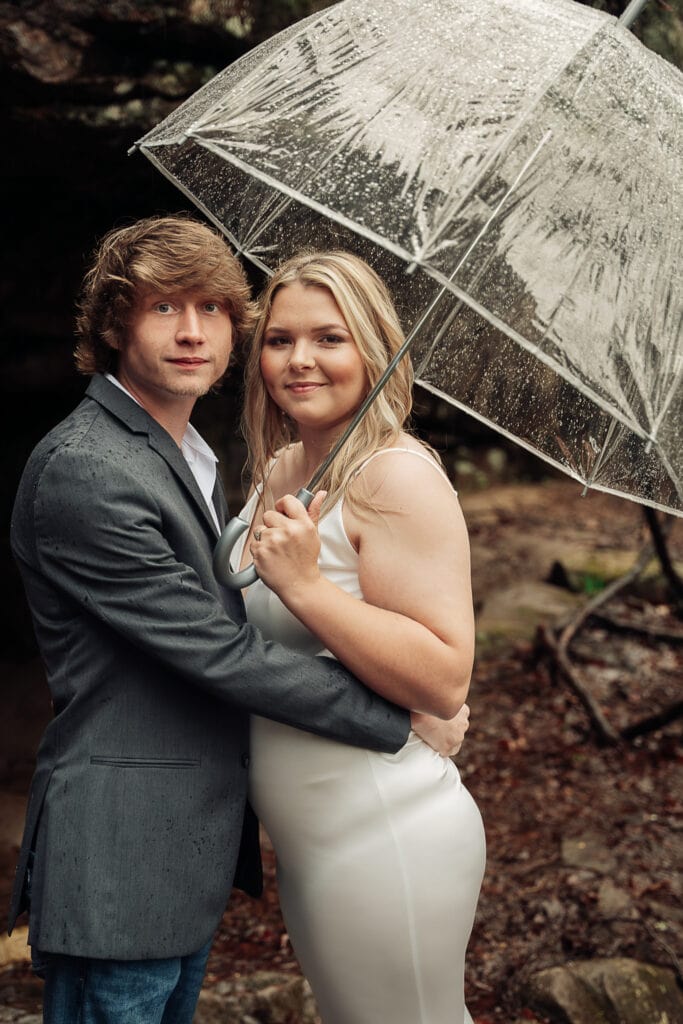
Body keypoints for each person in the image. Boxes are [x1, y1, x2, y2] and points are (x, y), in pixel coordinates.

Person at [8, 216, 469, 1024]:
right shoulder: (97, 465)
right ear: (114, 324)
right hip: (137, 844)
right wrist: (393, 715)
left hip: (350, 825)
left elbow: (429, 660)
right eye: (162, 309)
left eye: (213, 310)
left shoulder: (196, 456)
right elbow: (219, 648)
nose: (192, 333)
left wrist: (411, 693)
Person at [231, 249, 486, 1024]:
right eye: (279, 340)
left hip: (385, 829)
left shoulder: (394, 475)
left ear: (373, 350)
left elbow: (443, 678)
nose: (299, 360)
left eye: (328, 338)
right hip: (312, 839)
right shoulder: (282, 469)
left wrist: (305, 587)